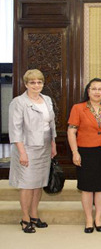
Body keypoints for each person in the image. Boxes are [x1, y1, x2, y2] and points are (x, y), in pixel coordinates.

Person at [9, 69, 57, 233]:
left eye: (39, 82)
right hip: (27, 146)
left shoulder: (47, 100)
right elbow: (15, 129)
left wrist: (53, 143)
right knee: (27, 184)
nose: (36, 85)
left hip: (44, 145)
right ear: (26, 84)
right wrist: (22, 152)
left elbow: (51, 124)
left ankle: (34, 215)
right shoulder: (18, 102)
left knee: (39, 184)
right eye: (32, 82)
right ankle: (25, 218)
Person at [67, 78, 101, 233]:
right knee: (86, 188)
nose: (97, 92)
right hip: (85, 152)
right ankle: (88, 219)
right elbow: (71, 131)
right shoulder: (78, 108)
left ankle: (98, 218)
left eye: (100, 89)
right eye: (94, 89)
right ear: (88, 91)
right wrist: (75, 152)